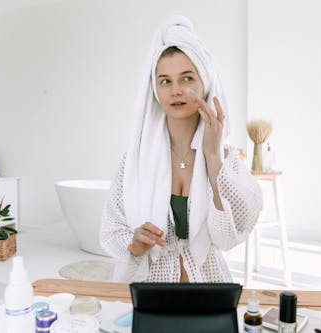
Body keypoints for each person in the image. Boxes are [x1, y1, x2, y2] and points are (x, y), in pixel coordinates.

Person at [100, 15, 262, 282]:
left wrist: (211, 156)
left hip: (207, 286)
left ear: (204, 84)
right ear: (155, 89)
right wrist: (135, 242)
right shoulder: (134, 162)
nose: (175, 90)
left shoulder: (225, 160)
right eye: (165, 81)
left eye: (187, 78)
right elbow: (110, 232)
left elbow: (228, 237)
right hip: (146, 289)